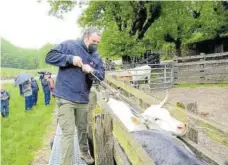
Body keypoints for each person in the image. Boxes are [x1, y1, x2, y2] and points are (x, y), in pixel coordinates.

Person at [45, 28, 105, 165]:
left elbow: (101, 76)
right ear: (86, 38)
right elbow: (49, 57)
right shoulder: (70, 45)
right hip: (65, 96)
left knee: (83, 129)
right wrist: (70, 59)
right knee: (68, 132)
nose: (95, 44)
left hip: (83, 98)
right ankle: (67, 162)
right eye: (93, 41)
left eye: (98, 42)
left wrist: (92, 71)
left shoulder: (96, 56)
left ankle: (84, 152)